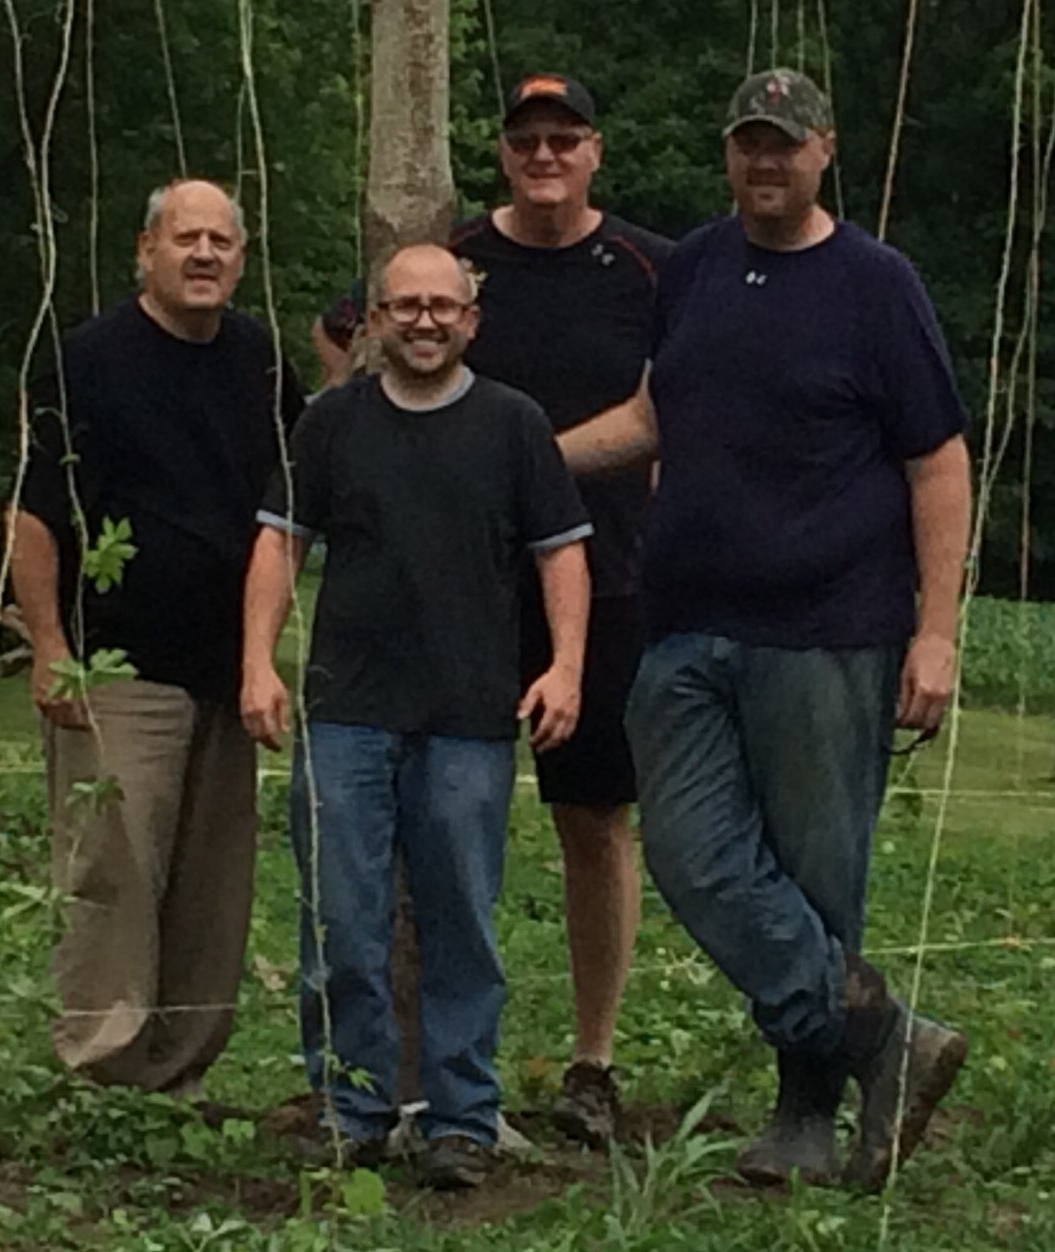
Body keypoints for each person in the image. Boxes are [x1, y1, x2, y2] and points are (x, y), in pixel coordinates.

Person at [567, 68, 973, 1190]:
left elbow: (937, 462)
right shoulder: (694, 266)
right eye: (749, 141)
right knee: (689, 853)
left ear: (823, 150)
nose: (765, 160)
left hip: (828, 631)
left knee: (815, 871)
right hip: (684, 623)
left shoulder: (876, 285)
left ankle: (805, 1118)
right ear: (728, 152)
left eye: (785, 144)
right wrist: (527, 460)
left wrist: (935, 631)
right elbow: (655, 413)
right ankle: (882, 1033)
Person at [312, 72, 673, 1143]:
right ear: (504, 154)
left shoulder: (650, 266)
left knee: (591, 818)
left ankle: (592, 1060)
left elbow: (665, 406)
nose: (545, 156)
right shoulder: (456, 258)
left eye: (565, 138)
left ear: (595, 150)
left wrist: (520, 467)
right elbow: (342, 334)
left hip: (599, 574)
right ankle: (404, 1070)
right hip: (447, 592)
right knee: (417, 809)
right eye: (526, 140)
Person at [242, 244, 592, 1188]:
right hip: (346, 711)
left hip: (470, 716)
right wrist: (257, 664)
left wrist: (565, 667)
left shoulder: (515, 425)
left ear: (471, 320)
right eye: (406, 306)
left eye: (444, 306)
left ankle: (461, 1121)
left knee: (462, 925)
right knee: (341, 924)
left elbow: (562, 552)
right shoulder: (331, 423)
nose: (426, 321)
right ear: (375, 323)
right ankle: (350, 1111)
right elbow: (279, 543)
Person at [11, 179, 303, 1097]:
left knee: (213, 884)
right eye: (186, 238)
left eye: (222, 241)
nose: (204, 254)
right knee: (117, 869)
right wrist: (50, 646)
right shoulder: (88, 360)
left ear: (241, 260)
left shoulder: (258, 360)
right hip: (118, 663)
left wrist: (260, 655)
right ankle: (101, 1072)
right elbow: (33, 513)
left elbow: (297, 497)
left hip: (228, 666)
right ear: (146, 251)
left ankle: (178, 1077)